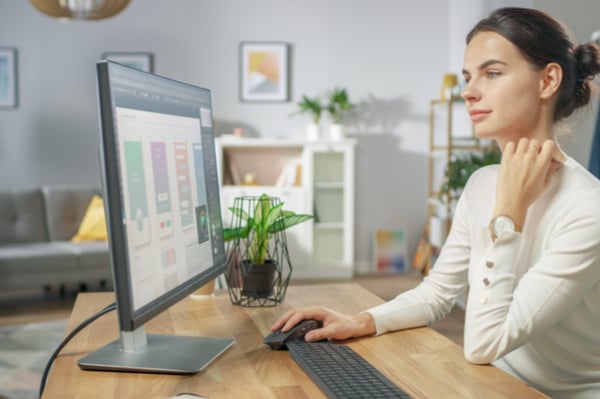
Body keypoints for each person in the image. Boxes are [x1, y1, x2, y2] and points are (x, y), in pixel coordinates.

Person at [272, 7, 600, 399]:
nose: (469, 91)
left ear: (548, 80)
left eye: (492, 73)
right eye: (467, 76)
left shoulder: (587, 207)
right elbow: (438, 293)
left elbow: (482, 344)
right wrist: (361, 320)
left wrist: (508, 216)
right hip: (493, 384)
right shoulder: (482, 184)